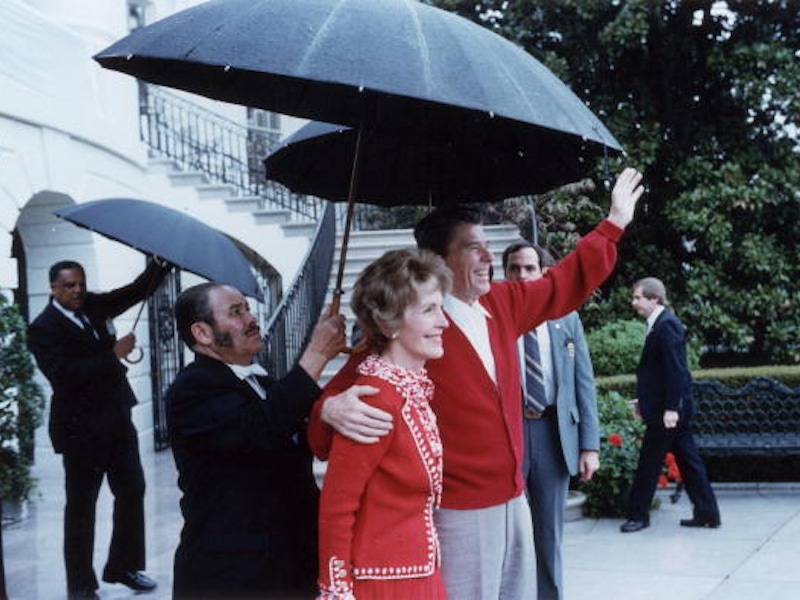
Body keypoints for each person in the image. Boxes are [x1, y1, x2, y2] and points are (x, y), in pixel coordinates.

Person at [311, 168, 645, 599]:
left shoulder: (503, 303)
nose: (490, 258)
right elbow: (336, 410)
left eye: (489, 247)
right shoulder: (412, 332)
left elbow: (564, 282)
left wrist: (613, 223)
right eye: (474, 248)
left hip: (514, 498)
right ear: (440, 261)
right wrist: (328, 408)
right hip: (457, 513)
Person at [166, 282, 385, 598]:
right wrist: (317, 352)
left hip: (286, 565)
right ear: (202, 333)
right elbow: (261, 430)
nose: (251, 318)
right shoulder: (191, 389)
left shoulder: (260, 381)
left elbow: (296, 422)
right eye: (235, 312)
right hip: (234, 577)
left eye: (247, 308)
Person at [27, 259, 170, 599]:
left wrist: (159, 268)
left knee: (132, 490)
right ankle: (80, 585)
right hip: (79, 430)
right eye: (68, 286)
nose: (77, 291)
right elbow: (64, 376)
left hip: (117, 419)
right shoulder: (42, 328)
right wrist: (113, 354)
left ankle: (122, 566)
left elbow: (133, 293)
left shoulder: (93, 304)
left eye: (80, 283)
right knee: (81, 506)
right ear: (53, 288)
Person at [317, 248, 451, 600]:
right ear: (388, 323)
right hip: (382, 585)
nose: (444, 323)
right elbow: (337, 508)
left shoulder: (410, 388)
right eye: (428, 311)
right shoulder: (375, 397)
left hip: (419, 574)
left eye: (441, 308)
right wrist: (336, 589)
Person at [502, 242, 599, 600]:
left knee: (549, 531)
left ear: (545, 272)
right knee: (509, 530)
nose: (522, 275)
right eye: (515, 268)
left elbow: (583, 384)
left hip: (552, 433)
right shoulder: (498, 317)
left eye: (530, 268)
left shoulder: (566, 318)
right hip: (508, 434)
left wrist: (589, 445)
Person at [620, 277, 721, 533]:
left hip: (668, 413)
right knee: (689, 462)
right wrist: (645, 400)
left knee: (649, 463)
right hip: (667, 410)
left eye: (638, 298)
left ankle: (638, 515)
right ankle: (707, 513)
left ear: (654, 299)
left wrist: (672, 409)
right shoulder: (659, 324)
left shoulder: (667, 326)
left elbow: (677, 372)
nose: (634, 303)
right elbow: (659, 373)